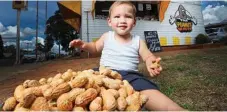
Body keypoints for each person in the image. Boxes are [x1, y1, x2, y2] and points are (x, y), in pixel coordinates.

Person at [69, 1, 185, 111]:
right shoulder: (106, 36)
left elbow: (147, 55)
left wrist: (151, 62)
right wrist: (84, 45)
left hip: (130, 77)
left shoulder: (138, 41)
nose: (123, 20)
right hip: (104, 74)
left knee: (153, 95)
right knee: (84, 87)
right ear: (109, 21)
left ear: (134, 22)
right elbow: (94, 47)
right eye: (117, 16)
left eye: (128, 16)